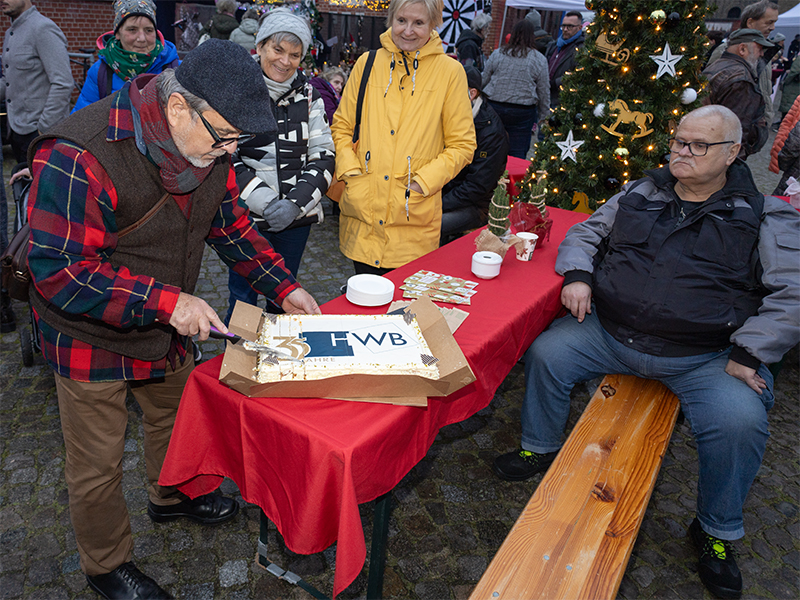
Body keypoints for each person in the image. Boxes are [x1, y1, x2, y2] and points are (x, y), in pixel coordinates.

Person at [25, 39, 320, 599]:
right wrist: (168, 302)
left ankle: (173, 495)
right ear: (180, 108)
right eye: (226, 137)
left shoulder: (208, 143)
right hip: (88, 332)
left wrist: (285, 287)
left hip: (164, 326)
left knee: (177, 418)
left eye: (237, 140)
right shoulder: (77, 153)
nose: (230, 151)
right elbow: (59, 271)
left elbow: (229, 226)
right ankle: (106, 565)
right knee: (97, 464)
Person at [492, 105, 799, 600]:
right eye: (679, 141)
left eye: (699, 145)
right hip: (612, 334)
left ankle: (716, 532)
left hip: (705, 355)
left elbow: (792, 292)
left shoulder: (764, 213)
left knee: (740, 420)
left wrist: (750, 351)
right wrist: (577, 275)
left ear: (733, 153)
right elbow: (586, 233)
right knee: (548, 353)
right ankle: (539, 446)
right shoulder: (641, 190)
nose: (683, 152)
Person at [330, 0, 476, 274]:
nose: (408, 30)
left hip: (412, 221)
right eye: (401, 20)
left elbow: (463, 145)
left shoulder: (450, 73)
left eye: (418, 23)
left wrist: (423, 182)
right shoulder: (367, 63)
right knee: (366, 306)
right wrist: (351, 173)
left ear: (433, 25)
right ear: (391, 20)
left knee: (403, 311)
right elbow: (341, 126)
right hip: (364, 215)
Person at [225, 7, 335, 323]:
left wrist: (294, 205)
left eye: (295, 54)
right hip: (245, 218)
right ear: (259, 47)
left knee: (284, 294)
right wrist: (268, 202)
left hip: (294, 220)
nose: (285, 61)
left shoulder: (310, 96)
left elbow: (324, 155)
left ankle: (278, 356)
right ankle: (238, 359)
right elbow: (227, 159)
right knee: (242, 296)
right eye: (277, 49)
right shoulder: (237, 93)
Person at [73, 0, 180, 113]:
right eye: (132, 30)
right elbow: (81, 120)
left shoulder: (176, 68)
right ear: (117, 33)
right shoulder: (100, 72)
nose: (142, 39)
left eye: (148, 30)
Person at [0, 0, 72, 164]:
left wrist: (43, 129)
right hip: (16, 131)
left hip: (38, 134)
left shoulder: (42, 28)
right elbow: (9, 80)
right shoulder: (10, 33)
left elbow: (63, 82)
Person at [441, 65, 509, 240]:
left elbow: (477, 186)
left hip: (476, 206)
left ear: (472, 94)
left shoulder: (491, 132)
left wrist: (438, 204)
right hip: (444, 193)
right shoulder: (447, 115)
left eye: (452, 90)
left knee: (427, 224)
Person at [482, 18, 549, 159]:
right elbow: (544, 90)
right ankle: (513, 178)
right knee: (517, 151)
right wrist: (544, 116)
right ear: (532, 36)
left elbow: (484, 79)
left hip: (495, 106)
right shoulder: (539, 59)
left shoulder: (498, 53)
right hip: (522, 111)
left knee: (490, 145)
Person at [703, 29, 774, 159]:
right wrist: (734, 166)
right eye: (759, 49)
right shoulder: (741, 80)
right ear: (742, 49)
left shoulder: (719, 65)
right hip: (716, 154)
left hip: (706, 147)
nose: (762, 54)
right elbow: (737, 131)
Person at [707, 1, 779, 128]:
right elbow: (711, 91)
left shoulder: (761, 51)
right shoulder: (727, 49)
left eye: (774, 22)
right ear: (750, 22)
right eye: (769, 22)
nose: (773, 27)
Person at [544, 11, 584, 110]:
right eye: (564, 26)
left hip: (561, 100)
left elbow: (577, 74)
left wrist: (554, 84)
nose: (565, 30)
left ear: (579, 27)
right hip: (545, 97)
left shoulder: (581, 49)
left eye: (570, 26)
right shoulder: (554, 45)